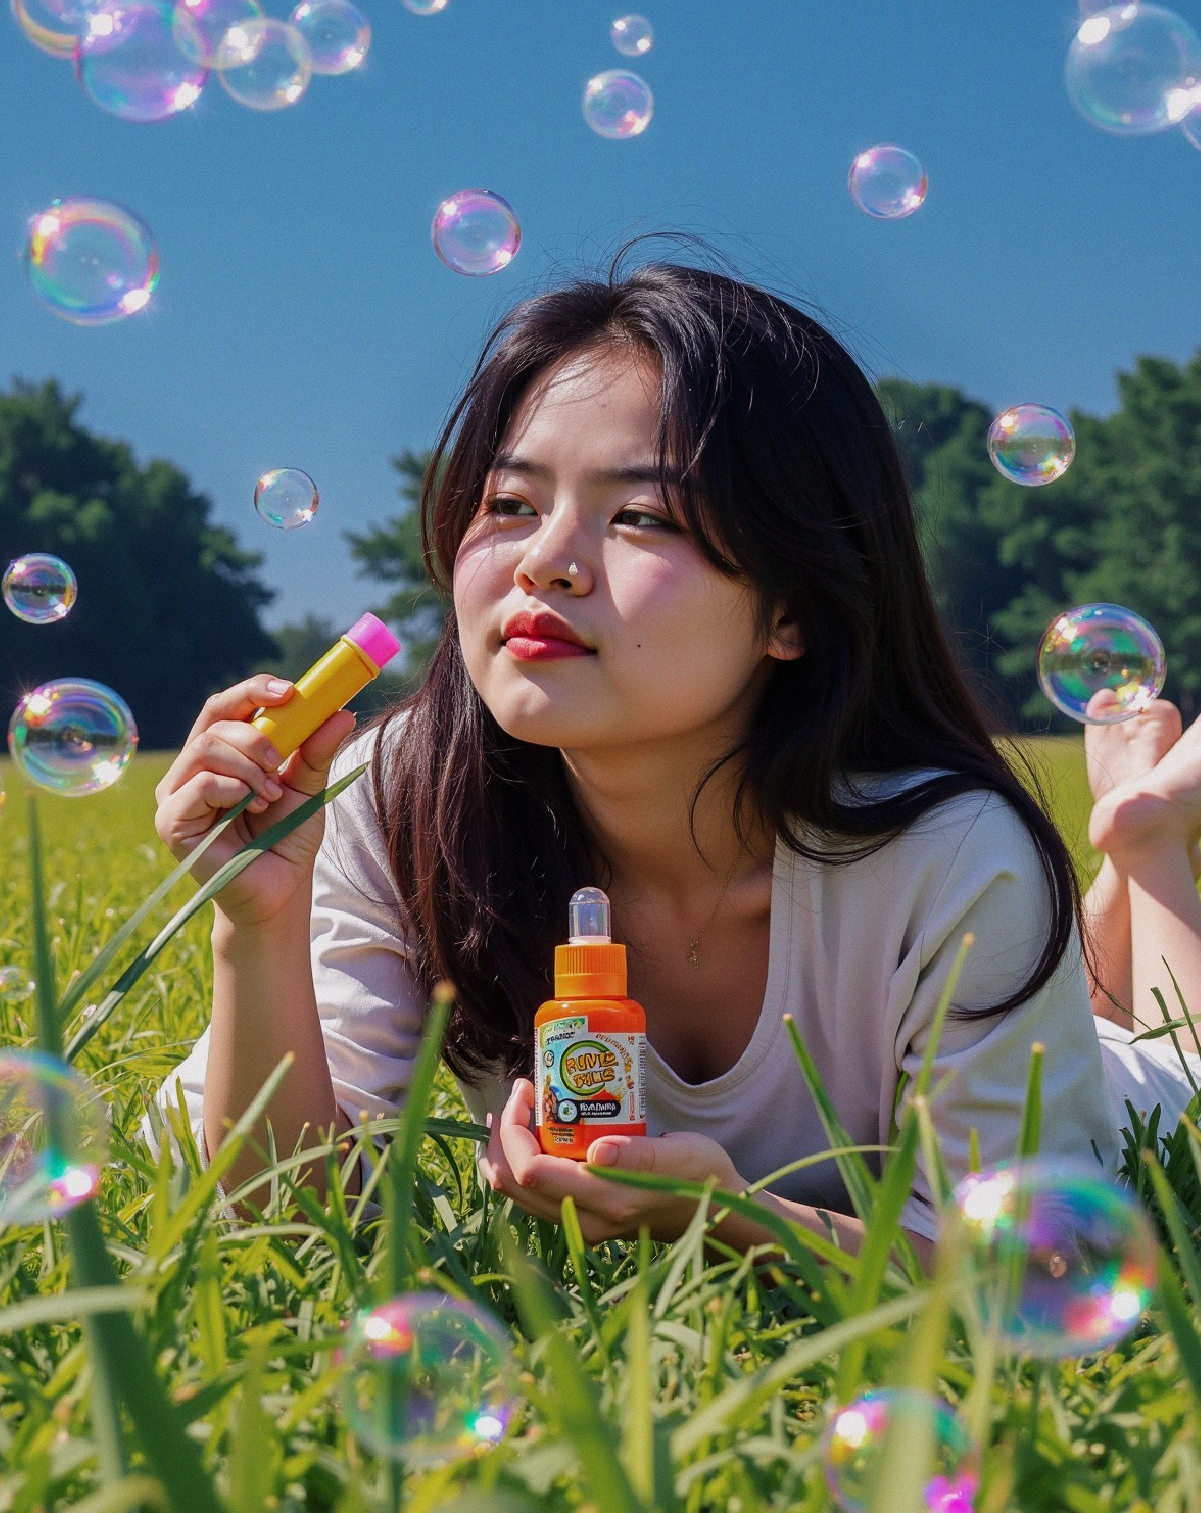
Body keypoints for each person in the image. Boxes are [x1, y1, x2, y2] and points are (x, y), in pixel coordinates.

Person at [145, 258, 1200, 1271]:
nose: (544, 560)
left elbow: (1022, 1262)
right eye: (510, 504)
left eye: (639, 516)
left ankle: (1147, 848)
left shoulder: (948, 852)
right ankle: (1132, 853)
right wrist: (256, 927)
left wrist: (732, 1217)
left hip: (1113, 1096)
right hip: (992, 1029)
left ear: (791, 609)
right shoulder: (396, 795)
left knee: (1180, 1065)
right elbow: (284, 1218)